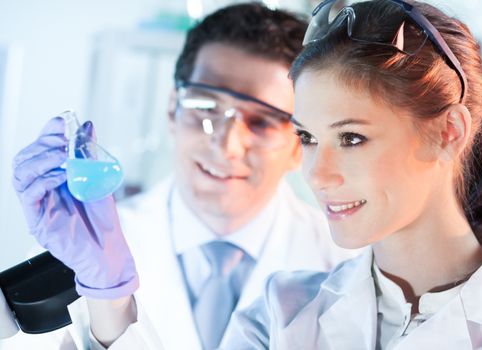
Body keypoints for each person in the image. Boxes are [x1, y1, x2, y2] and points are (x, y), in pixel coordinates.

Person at [4, 3, 356, 350]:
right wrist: (107, 300)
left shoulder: (347, 268)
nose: (226, 145)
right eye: (205, 106)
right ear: (172, 108)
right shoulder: (79, 250)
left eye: (262, 121)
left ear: (301, 143)